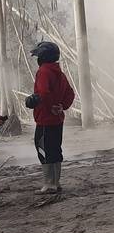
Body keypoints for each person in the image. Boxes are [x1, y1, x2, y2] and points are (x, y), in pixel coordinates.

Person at [25, 42, 75, 194]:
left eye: (38, 56)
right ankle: (56, 182)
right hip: (57, 120)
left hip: (45, 119)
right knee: (55, 149)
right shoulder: (59, 73)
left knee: (43, 149)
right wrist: (62, 106)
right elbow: (70, 93)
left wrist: (50, 106)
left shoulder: (43, 71)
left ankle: (49, 184)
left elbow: (43, 93)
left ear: (43, 57)